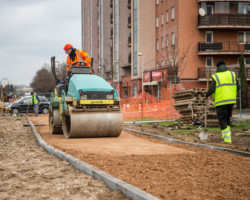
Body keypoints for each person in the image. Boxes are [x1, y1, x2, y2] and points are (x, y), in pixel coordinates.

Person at [206, 60, 240, 144]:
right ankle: (227, 138)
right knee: (227, 119)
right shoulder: (232, 74)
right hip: (231, 101)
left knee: (222, 120)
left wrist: (206, 94)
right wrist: (231, 92)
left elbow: (212, 89)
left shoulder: (216, 76)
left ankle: (227, 140)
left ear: (218, 67)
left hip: (221, 102)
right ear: (225, 65)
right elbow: (238, 87)